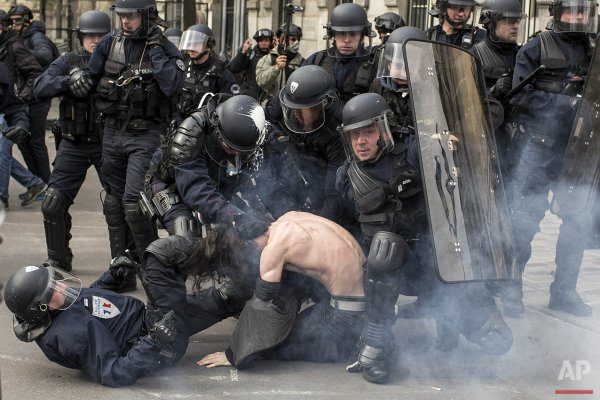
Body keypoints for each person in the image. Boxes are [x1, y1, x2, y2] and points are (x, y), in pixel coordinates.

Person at [337, 92, 513, 383]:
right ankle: (377, 342)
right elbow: (344, 224)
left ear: (383, 129)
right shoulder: (346, 177)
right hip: (390, 270)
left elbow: (457, 166)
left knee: (499, 340)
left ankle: (453, 319)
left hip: (437, 259)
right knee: (385, 248)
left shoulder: (411, 151)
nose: (361, 142)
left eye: (368, 132)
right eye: (355, 135)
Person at [70, 0, 184, 264]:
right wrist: (76, 75)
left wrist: (155, 50)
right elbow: (90, 75)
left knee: (135, 204)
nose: (124, 21)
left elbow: (172, 86)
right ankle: (120, 266)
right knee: (114, 202)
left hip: (145, 136)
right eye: (121, 16)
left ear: (147, 16)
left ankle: (151, 269)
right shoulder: (110, 42)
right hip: (111, 133)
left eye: (130, 16)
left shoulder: (164, 47)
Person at [506, 0, 597, 317]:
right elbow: (520, 94)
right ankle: (510, 289)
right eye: (572, 10)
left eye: (583, 11)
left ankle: (564, 292)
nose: (578, 17)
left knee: (578, 219)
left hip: (578, 151)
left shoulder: (593, 50)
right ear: (558, 13)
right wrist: (567, 105)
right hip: (539, 146)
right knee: (525, 217)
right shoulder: (536, 47)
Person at [188, 211, 365, 369]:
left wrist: (232, 354)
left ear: (250, 242)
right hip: (368, 294)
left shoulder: (273, 250)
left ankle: (353, 342)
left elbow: (259, 308)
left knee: (281, 346)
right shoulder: (290, 218)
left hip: (347, 317)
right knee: (296, 327)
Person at [3, 263, 183, 387]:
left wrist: (111, 277)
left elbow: (88, 301)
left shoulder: (59, 306)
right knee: (164, 260)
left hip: (142, 318)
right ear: (40, 308)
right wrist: (154, 340)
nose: (63, 287)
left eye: (56, 281)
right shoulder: (71, 335)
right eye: (53, 290)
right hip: (150, 336)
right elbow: (113, 372)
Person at [33, 11, 112, 272]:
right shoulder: (69, 60)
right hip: (73, 143)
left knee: (122, 205)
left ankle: (125, 265)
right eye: (90, 35)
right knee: (53, 202)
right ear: (81, 36)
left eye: (100, 35)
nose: (95, 40)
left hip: (108, 144)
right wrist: (69, 81)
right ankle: (59, 259)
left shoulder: (118, 61)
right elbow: (40, 87)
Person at [261, 65, 347, 223]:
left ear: (323, 104)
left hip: (321, 174)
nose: (296, 114)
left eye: (303, 109)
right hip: (293, 163)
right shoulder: (286, 98)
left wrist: (320, 227)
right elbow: (264, 120)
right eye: (292, 108)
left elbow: (333, 191)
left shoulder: (337, 130)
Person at [7, 3, 57, 185]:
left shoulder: (35, 36)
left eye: (17, 20)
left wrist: (20, 51)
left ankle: (46, 182)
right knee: (24, 142)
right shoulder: (20, 37)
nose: (14, 24)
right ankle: (37, 182)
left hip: (39, 97)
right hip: (28, 96)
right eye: (10, 22)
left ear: (27, 20)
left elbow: (45, 55)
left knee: (35, 142)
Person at [303, 3, 376, 104]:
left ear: (362, 36)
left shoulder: (373, 63)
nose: (346, 40)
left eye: (353, 34)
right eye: (341, 33)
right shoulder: (316, 60)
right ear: (333, 35)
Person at [0, 62, 47, 209]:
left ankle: (2, 197)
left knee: (2, 155)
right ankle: (34, 183)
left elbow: (14, 108)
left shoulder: (14, 46)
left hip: (7, 113)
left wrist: (21, 124)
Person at [176, 24, 236, 118]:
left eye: (196, 44)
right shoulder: (183, 67)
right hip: (183, 122)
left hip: (209, 125)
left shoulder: (221, 72)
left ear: (208, 46)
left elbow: (230, 105)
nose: (191, 48)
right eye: (189, 44)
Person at [255, 24, 304, 105]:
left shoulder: (302, 62)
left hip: (292, 107)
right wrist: (276, 68)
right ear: (280, 40)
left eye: (295, 39)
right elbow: (261, 81)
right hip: (271, 106)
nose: (293, 42)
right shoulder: (268, 58)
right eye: (289, 39)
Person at [228, 28, 274, 100]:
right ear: (258, 42)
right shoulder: (251, 54)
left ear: (271, 42)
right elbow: (234, 68)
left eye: (266, 40)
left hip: (267, 95)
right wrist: (243, 52)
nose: (263, 43)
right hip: (249, 94)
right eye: (261, 40)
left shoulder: (274, 56)